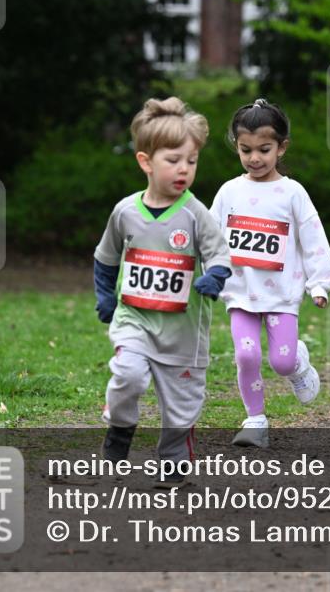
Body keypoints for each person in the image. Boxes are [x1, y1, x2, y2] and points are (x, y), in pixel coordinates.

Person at [94, 97, 232, 489]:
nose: (184, 169)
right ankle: (119, 433)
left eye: (191, 160)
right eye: (174, 160)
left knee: (181, 408)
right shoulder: (125, 212)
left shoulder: (195, 213)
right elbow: (105, 258)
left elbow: (219, 254)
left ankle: (173, 462)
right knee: (128, 374)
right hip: (135, 318)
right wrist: (105, 295)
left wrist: (215, 277)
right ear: (146, 162)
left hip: (183, 334)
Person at [211, 99, 330, 449]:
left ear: (282, 147)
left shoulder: (293, 193)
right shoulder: (229, 192)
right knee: (246, 355)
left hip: (282, 293)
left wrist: (320, 282)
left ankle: (298, 363)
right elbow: (210, 235)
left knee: (281, 360)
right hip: (240, 291)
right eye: (245, 149)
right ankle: (255, 420)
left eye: (264, 149)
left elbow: (313, 238)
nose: (254, 158)